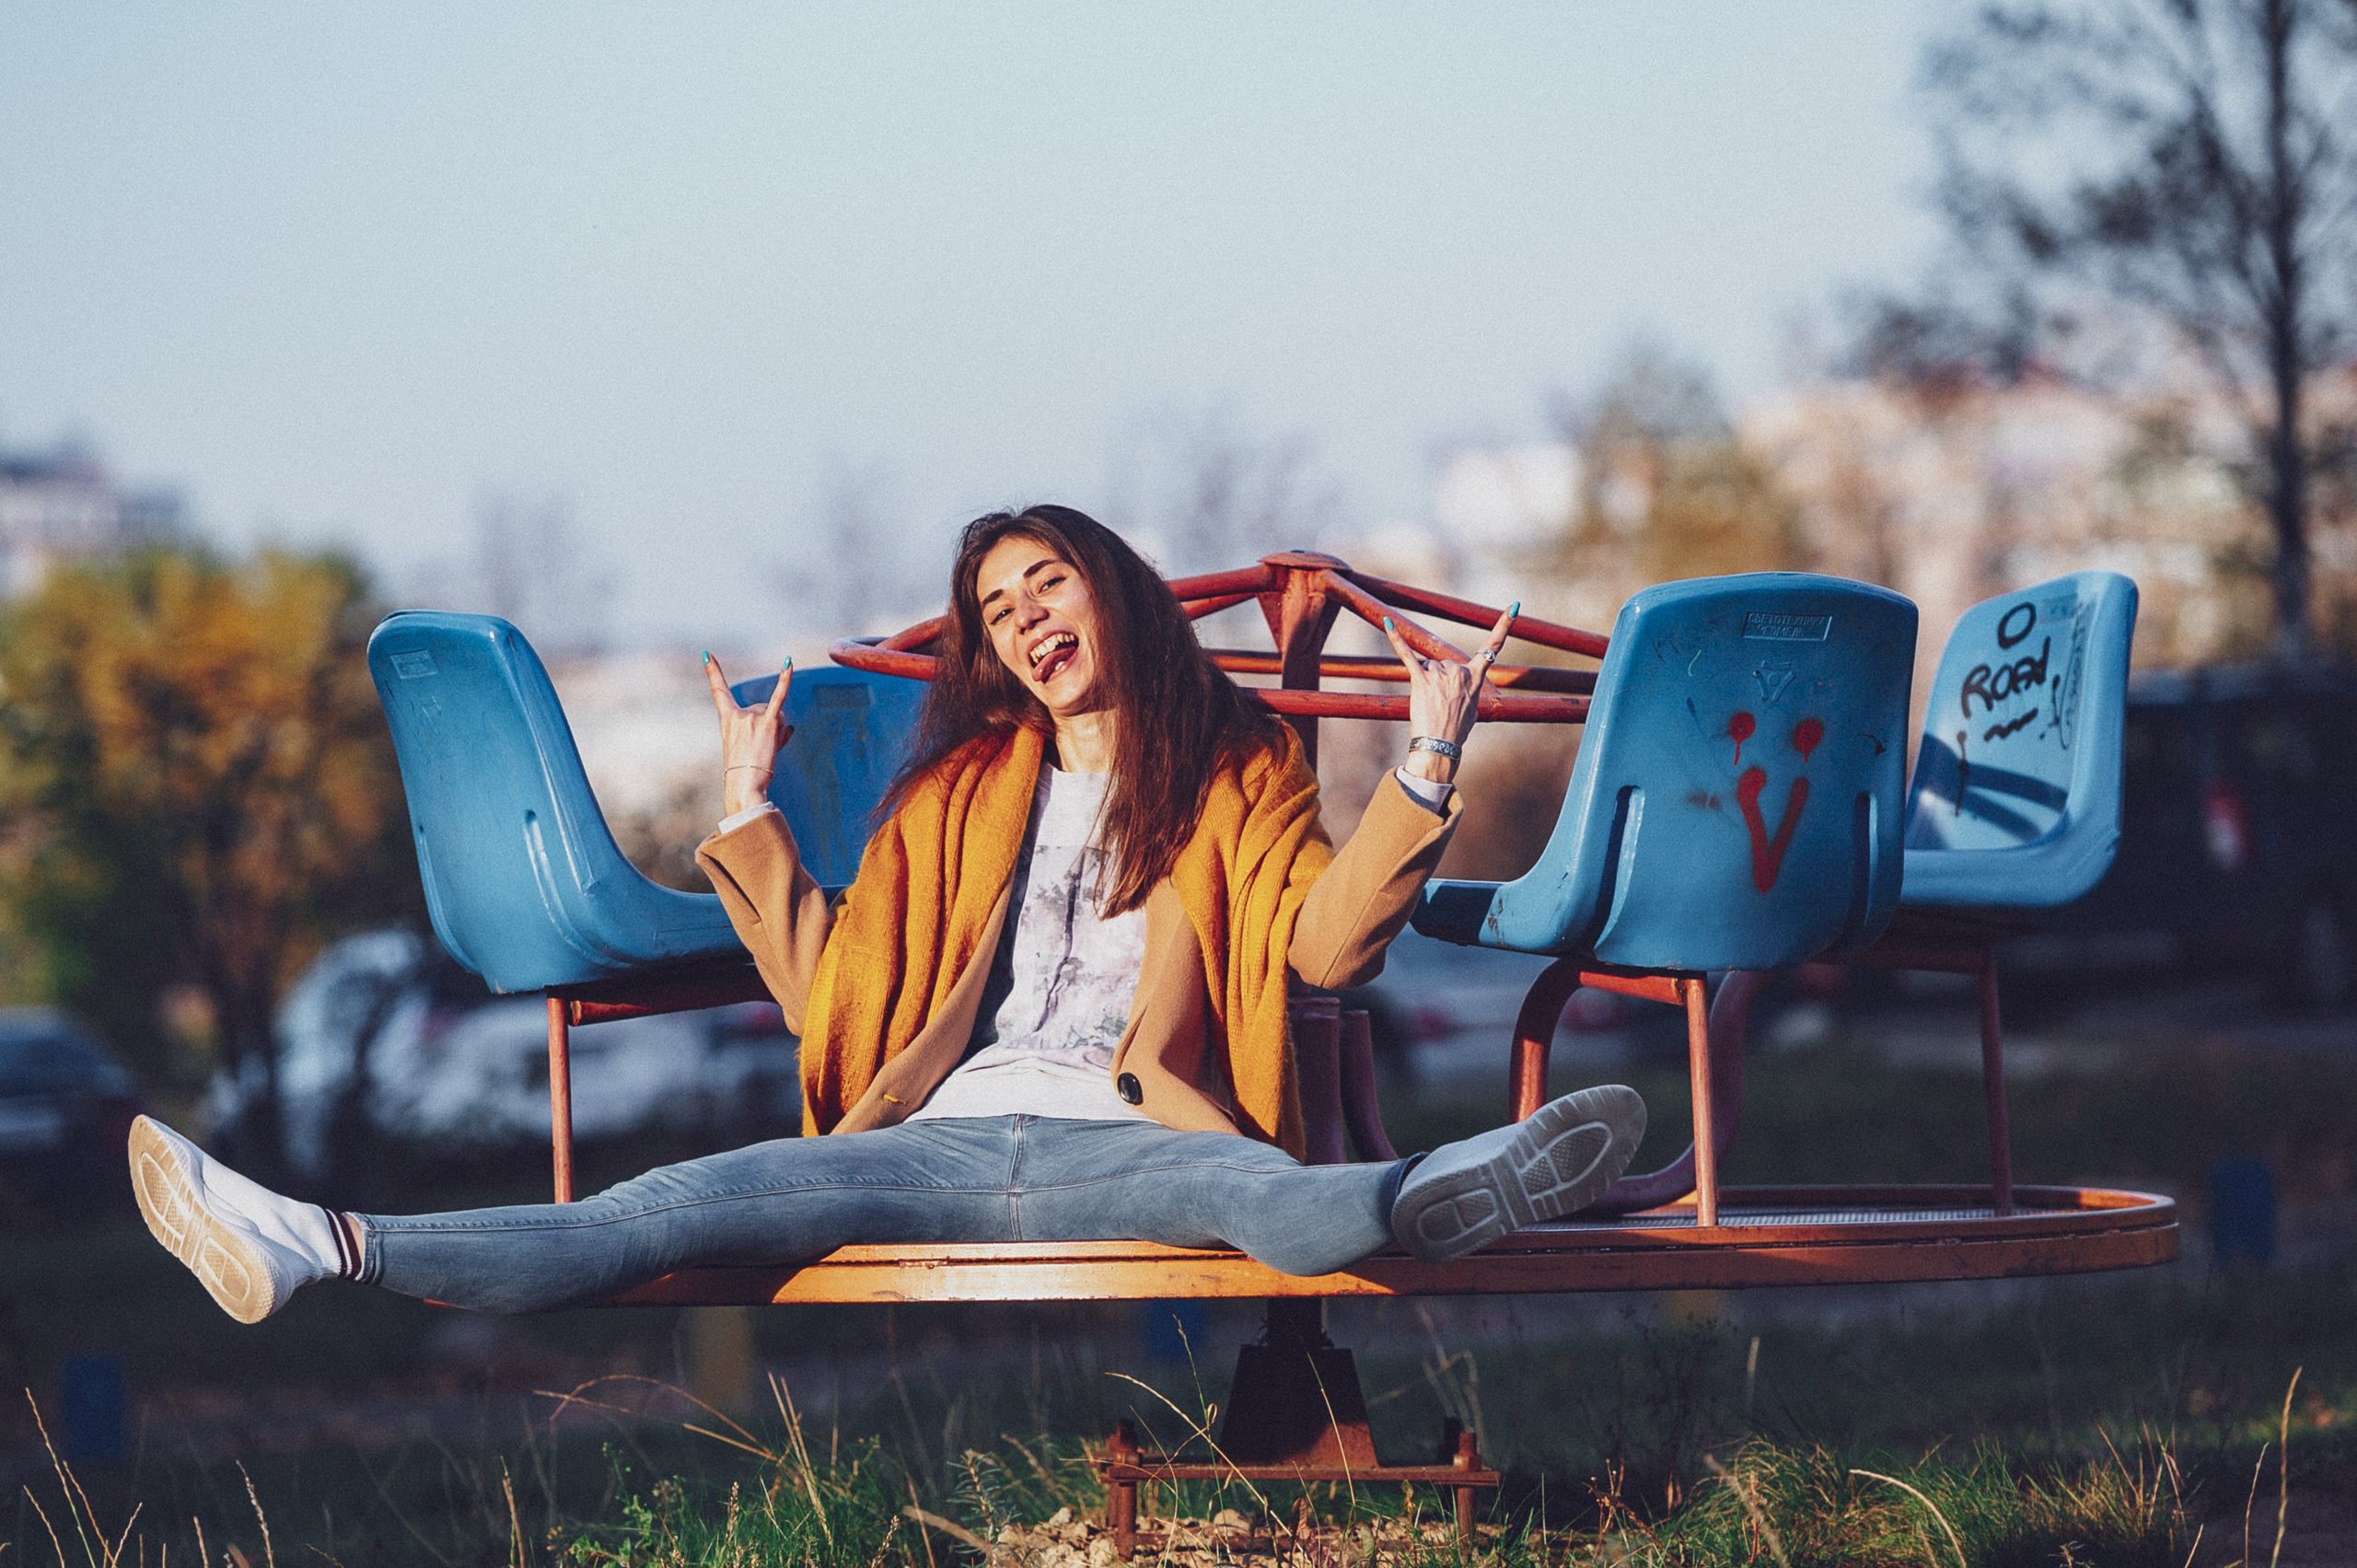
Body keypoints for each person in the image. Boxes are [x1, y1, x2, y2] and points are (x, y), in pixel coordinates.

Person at [128, 505, 1644, 1325]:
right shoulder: (960, 790)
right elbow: (838, 994)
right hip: (930, 1141)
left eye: (1048, 583)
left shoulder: (1238, 767)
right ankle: (317, 1240)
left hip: (1143, 1138)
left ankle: (1460, 1185)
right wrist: (750, 816)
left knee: (1270, 1199)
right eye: (997, 609)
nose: (1027, 620)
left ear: (1114, 592)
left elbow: (1324, 950)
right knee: (653, 1215)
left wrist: (1430, 763)